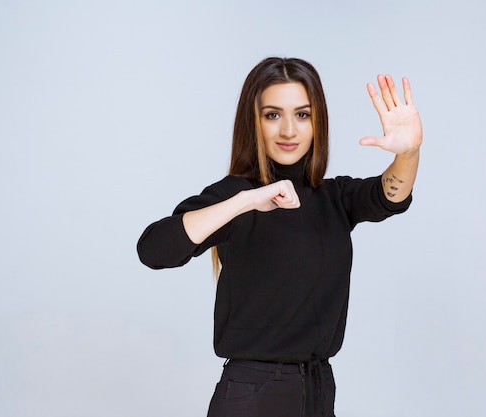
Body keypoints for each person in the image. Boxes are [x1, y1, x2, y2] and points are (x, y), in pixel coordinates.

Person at [137, 57, 422, 417]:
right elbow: (154, 249)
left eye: (302, 114)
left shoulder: (335, 197)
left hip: (318, 389)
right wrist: (245, 201)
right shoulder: (236, 196)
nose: (288, 129)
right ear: (253, 121)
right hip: (255, 393)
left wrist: (409, 152)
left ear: (317, 121)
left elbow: (389, 196)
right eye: (273, 114)